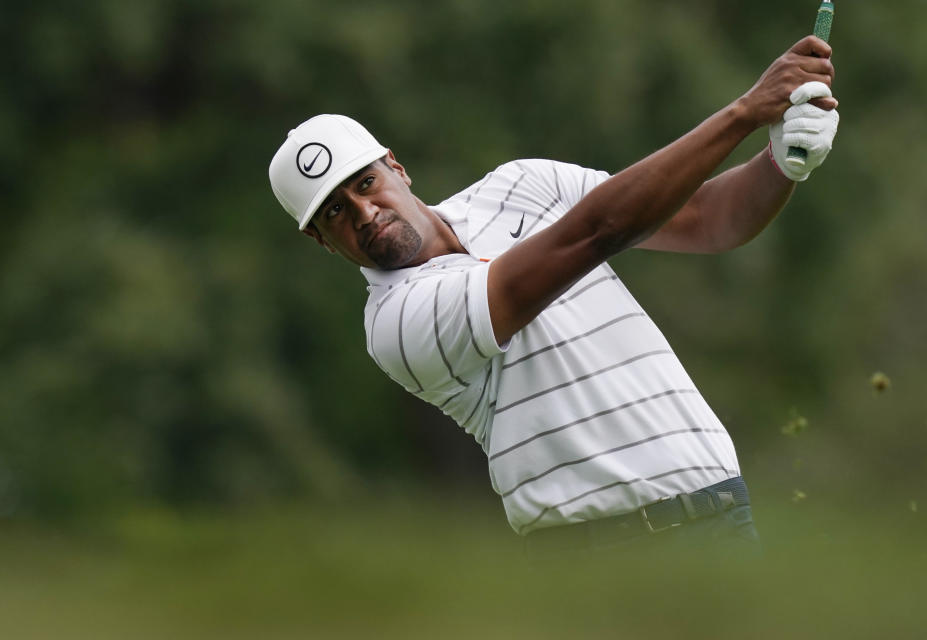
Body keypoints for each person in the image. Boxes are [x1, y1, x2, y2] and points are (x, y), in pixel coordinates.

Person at [267, 37, 839, 557]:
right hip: (601, 560)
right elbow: (595, 233)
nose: (365, 214)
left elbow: (711, 219)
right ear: (322, 240)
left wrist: (783, 160)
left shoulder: (523, 184)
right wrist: (743, 113)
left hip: (720, 515)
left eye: (366, 184)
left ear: (397, 167)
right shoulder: (397, 324)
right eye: (336, 212)